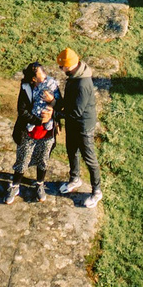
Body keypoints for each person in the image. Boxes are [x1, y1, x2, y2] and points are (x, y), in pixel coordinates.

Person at [56, 47, 102, 208]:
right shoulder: (74, 76)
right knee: (71, 151)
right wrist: (55, 103)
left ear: (69, 66)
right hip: (72, 122)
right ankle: (74, 179)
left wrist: (56, 115)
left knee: (89, 159)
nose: (60, 69)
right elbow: (69, 104)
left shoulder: (83, 83)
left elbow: (75, 111)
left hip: (83, 126)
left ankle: (96, 191)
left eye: (62, 67)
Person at [6, 62, 56, 203]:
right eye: (41, 73)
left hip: (47, 132)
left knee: (43, 159)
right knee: (22, 160)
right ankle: (15, 186)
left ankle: (40, 184)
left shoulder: (52, 85)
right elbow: (22, 111)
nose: (45, 75)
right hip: (29, 132)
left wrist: (52, 102)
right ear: (33, 78)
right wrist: (39, 121)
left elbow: (60, 105)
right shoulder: (26, 89)